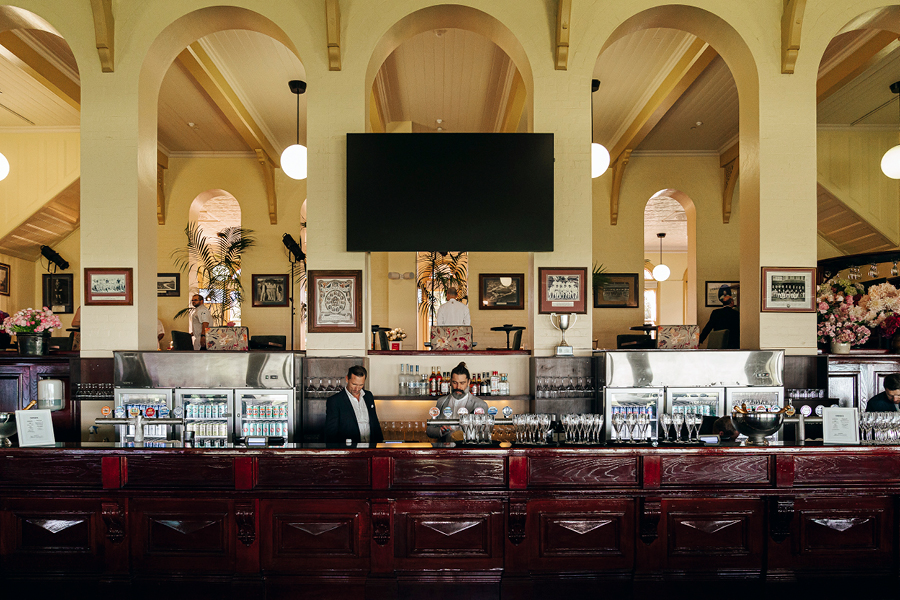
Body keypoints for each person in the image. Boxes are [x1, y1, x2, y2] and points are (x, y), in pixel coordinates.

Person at [427, 362, 489, 443]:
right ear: (450, 382)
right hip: (445, 451)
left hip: (468, 451)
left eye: (462, 383)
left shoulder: (480, 405)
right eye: (455, 382)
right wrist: (441, 431)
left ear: (469, 382)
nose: (458, 387)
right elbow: (429, 430)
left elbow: (486, 434)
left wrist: (467, 433)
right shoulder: (441, 402)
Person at [325, 365, 384, 444]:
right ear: (347, 379)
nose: (357, 389)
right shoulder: (335, 401)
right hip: (349, 451)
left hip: (370, 449)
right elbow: (331, 433)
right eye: (354, 384)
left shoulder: (368, 396)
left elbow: (375, 423)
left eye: (361, 385)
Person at [699, 284, 740, 349]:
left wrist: (700, 340)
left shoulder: (716, 313)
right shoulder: (736, 314)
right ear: (732, 302)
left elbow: (708, 327)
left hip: (719, 342)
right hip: (733, 343)